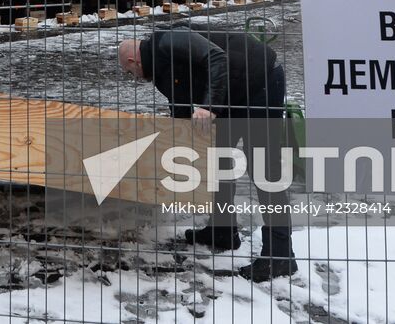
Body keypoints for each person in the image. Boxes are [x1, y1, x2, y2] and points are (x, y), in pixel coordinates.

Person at [118, 25, 298, 281]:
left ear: (133, 60)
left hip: (261, 83)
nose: (133, 77)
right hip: (233, 94)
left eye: (129, 72)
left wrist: (209, 106)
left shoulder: (169, 40)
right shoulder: (160, 69)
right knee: (218, 161)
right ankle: (222, 231)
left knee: (265, 171)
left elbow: (217, 57)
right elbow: (180, 104)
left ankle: (280, 258)